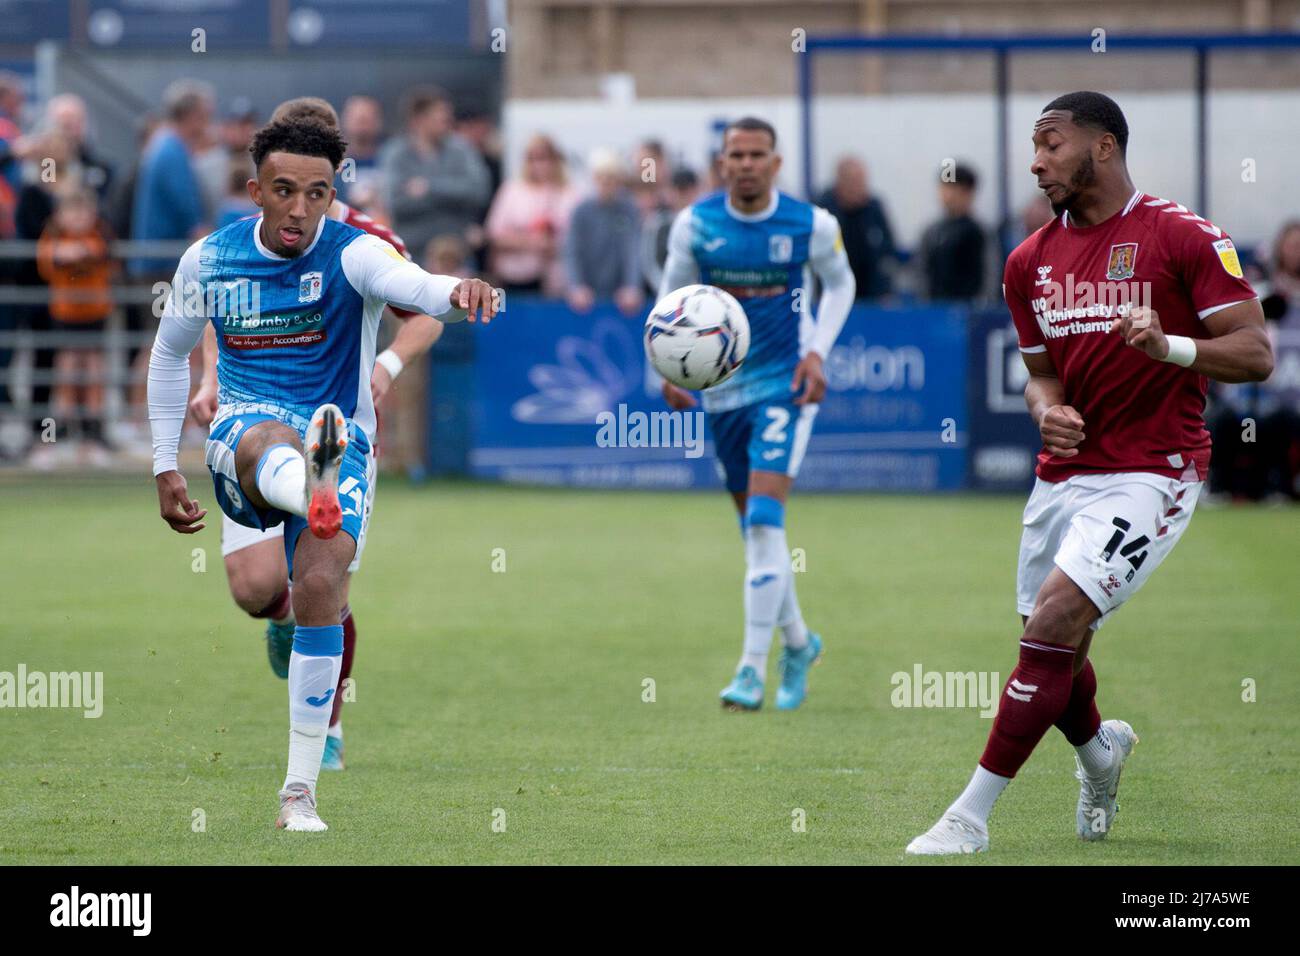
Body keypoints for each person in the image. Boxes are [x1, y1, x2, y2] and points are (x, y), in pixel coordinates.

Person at [906, 91, 1272, 856]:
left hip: (1153, 471)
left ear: (1104, 147)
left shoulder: (1182, 237)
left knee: (1052, 625)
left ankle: (969, 818)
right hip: (1063, 475)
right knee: (1060, 652)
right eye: (1033, 148)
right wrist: (1046, 411)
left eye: (1051, 144)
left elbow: (1255, 353)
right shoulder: (1027, 262)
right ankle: (1100, 755)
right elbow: (1040, 376)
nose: (1036, 162)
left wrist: (1168, 344)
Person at [149, 118, 496, 831]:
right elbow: (166, 356)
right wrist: (162, 465)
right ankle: (310, 486)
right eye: (284, 191)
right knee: (263, 488)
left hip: (342, 441)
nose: (301, 208)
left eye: (317, 193)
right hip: (242, 433)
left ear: (332, 193)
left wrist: (457, 289)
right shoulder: (208, 261)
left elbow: (413, 284)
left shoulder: (354, 251)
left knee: (319, 585)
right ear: (256, 192)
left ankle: (298, 794)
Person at [187, 96, 447, 774]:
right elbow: (222, 309)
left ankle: (325, 731)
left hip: (338, 433)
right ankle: (281, 619)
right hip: (254, 422)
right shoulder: (245, 237)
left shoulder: (364, 239)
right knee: (252, 589)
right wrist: (211, 377)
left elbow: (425, 311)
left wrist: (386, 366)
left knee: (323, 580)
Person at [657, 117, 855, 710]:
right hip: (722, 393)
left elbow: (841, 286)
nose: (745, 163)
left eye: (756, 154)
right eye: (735, 154)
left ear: (776, 162)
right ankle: (799, 641)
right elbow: (672, 300)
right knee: (755, 531)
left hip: (786, 388)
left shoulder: (812, 224)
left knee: (766, 523)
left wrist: (818, 351)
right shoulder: (696, 224)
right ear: (722, 163)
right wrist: (665, 372)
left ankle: (750, 670)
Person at [36, 188, 115, 465]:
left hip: (95, 314)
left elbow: (102, 254)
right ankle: (60, 436)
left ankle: (93, 436)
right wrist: (65, 251)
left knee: (93, 372)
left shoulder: (99, 233)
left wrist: (80, 250)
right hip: (65, 316)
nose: (79, 218)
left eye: (84, 211)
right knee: (67, 373)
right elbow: (48, 260)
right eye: (72, 211)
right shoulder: (54, 237)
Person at [379, 86, 492, 266]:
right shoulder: (395, 154)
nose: (448, 122)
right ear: (418, 120)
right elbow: (396, 203)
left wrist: (429, 188)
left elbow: (478, 191)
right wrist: (453, 201)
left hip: (457, 254)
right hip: (411, 255)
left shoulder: (462, 149)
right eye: (441, 118)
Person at [483, 133, 578, 296]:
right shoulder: (512, 190)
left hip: (559, 281)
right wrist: (530, 243)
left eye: (546, 158)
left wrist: (555, 244)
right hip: (515, 277)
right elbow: (494, 234)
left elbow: (579, 237)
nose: (540, 165)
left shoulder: (571, 194)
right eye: (533, 159)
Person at [564, 147, 643, 316]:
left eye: (611, 178)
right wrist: (576, 286)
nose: (606, 182)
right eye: (601, 177)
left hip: (620, 294)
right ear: (593, 178)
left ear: (619, 180)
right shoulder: (580, 211)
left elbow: (633, 250)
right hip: (587, 294)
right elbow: (572, 252)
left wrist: (632, 287)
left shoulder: (629, 209)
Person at [817, 157, 898, 301]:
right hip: (831, 294)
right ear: (840, 183)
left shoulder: (874, 208)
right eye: (854, 182)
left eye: (863, 182)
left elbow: (887, 250)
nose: (861, 188)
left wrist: (886, 290)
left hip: (871, 296)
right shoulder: (823, 211)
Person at [915, 163, 987, 302]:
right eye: (943, 188)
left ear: (967, 193)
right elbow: (921, 273)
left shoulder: (979, 233)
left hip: (970, 314)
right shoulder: (932, 233)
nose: (945, 195)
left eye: (952, 189)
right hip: (935, 313)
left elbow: (988, 276)